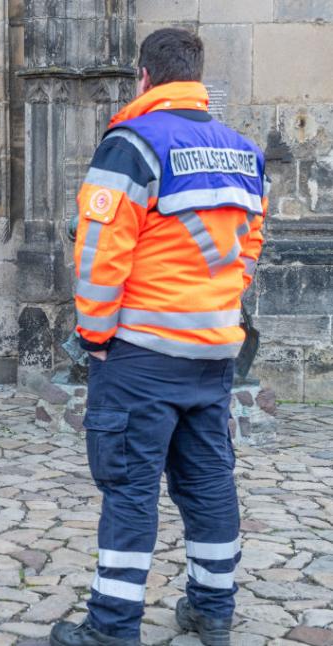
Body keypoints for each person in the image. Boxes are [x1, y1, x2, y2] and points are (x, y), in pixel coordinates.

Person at [51, 29, 267, 646]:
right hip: (214, 350)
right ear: (195, 77)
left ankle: (113, 629)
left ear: (143, 77)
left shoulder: (133, 144)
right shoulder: (242, 150)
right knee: (208, 484)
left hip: (141, 351)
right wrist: (215, 309)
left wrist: (94, 334)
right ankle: (212, 611)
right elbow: (248, 247)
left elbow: (99, 252)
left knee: (130, 489)